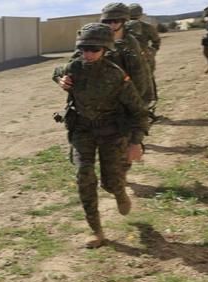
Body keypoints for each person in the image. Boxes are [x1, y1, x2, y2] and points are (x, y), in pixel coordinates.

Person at [53, 23, 149, 249]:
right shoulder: (75, 67)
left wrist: (135, 142)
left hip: (111, 133)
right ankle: (97, 231)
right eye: (84, 48)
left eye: (94, 49)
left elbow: (138, 112)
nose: (88, 53)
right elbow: (58, 70)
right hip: (82, 130)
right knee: (83, 175)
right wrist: (60, 79)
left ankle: (119, 192)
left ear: (105, 49)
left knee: (109, 181)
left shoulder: (116, 75)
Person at [99, 3, 153, 106]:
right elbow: (74, 62)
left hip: (129, 97)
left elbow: (141, 72)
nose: (111, 24)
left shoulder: (131, 42)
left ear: (123, 21)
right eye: (107, 21)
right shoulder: (96, 39)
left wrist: (143, 99)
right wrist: (61, 77)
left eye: (116, 21)